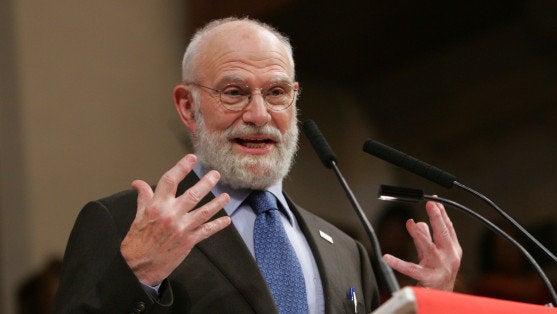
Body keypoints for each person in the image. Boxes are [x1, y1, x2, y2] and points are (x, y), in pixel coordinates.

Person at [52, 17, 462, 313]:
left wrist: (431, 306)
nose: (260, 115)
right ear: (187, 106)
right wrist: (138, 279)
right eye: (234, 92)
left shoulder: (346, 251)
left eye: (277, 92)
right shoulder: (122, 221)